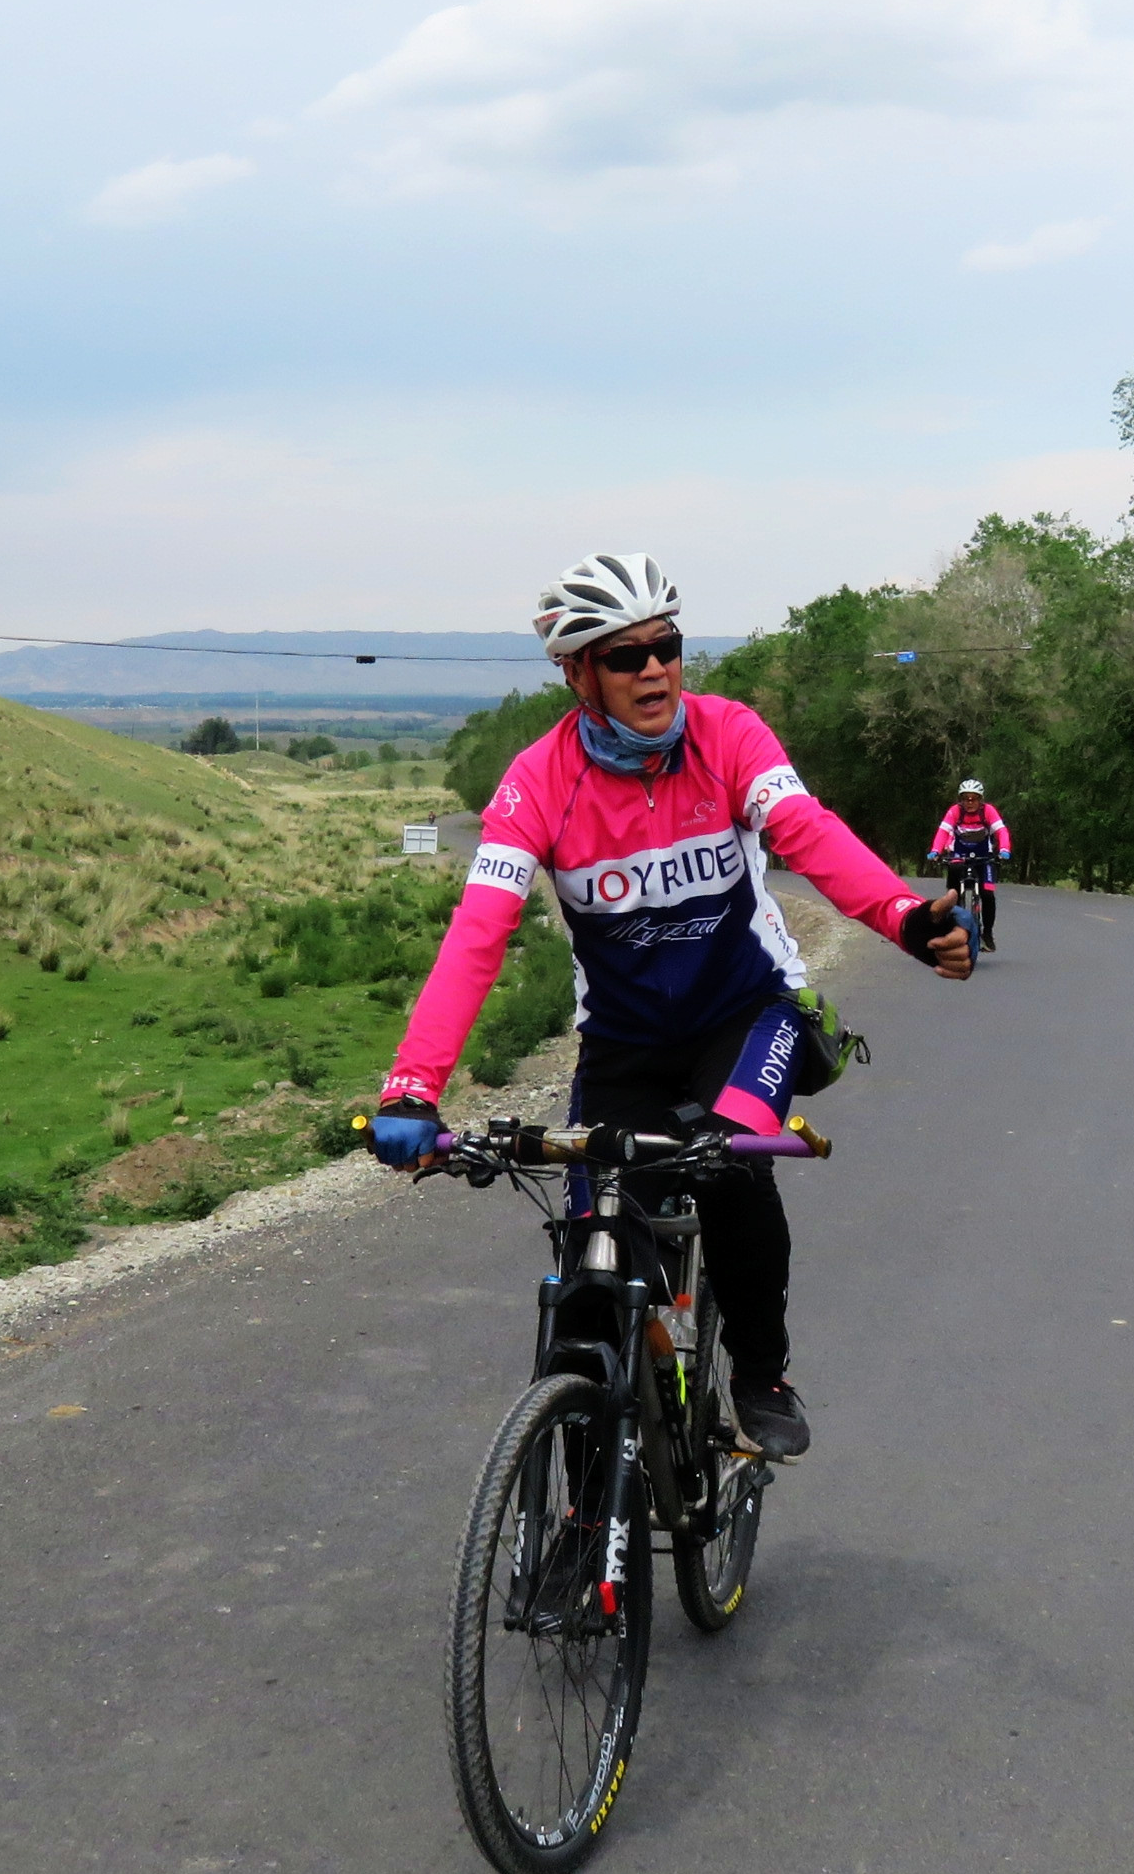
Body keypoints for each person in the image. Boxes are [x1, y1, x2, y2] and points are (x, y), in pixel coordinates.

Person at [369, 551, 972, 1458]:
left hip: (747, 1014)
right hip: (623, 1045)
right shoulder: (537, 783)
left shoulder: (728, 736)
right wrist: (414, 1087)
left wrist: (901, 915)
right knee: (593, 1270)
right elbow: (477, 934)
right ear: (579, 675)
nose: (653, 669)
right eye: (624, 655)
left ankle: (760, 1371)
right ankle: (583, 1525)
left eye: (667, 646)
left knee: (732, 1159)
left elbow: (805, 832)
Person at [927, 780, 1013, 950]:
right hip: (960, 854)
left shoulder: (988, 811)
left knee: (988, 894)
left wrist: (1004, 849)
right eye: (966, 799)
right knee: (953, 885)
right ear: (961, 800)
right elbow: (943, 832)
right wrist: (936, 850)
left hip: (983, 855)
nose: (970, 802)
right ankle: (954, 923)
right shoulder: (955, 812)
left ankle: (987, 934)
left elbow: (1001, 831)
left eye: (974, 799)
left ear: (981, 800)